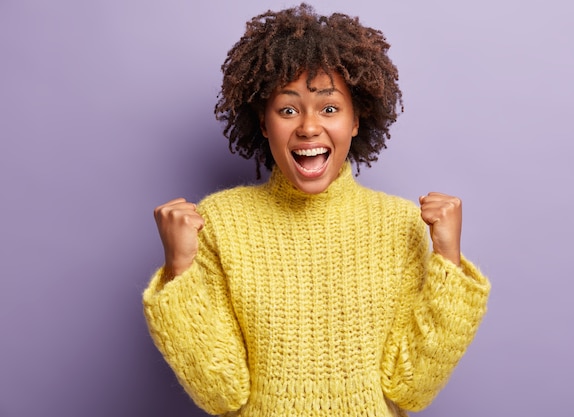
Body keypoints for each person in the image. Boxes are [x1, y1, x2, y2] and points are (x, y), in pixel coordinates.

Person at [143, 3, 490, 417]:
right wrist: (181, 267)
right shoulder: (218, 223)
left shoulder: (401, 225)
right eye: (288, 110)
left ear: (357, 119)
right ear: (264, 122)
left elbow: (410, 388)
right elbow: (221, 393)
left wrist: (447, 261)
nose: (308, 127)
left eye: (329, 108)